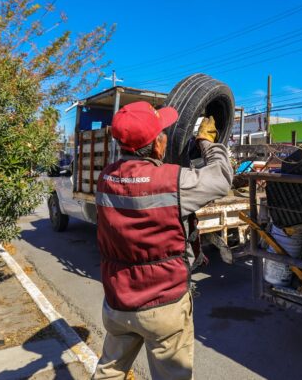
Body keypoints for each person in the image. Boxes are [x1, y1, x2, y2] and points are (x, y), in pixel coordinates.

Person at [93, 102, 233, 380]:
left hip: (117, 301)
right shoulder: (172, 180)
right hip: (163, 305)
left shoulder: (105, 177)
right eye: (162, 133)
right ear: (158, 144)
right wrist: (207, 143)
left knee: (108, 372)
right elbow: (221, 178)